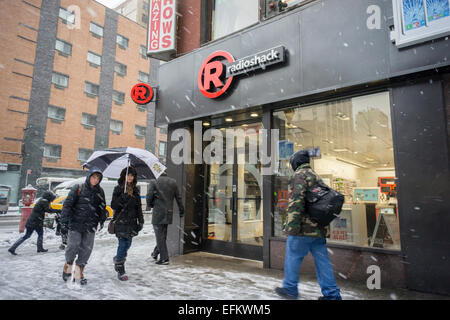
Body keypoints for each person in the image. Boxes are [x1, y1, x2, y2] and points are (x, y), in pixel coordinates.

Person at [275, 149, 342, 300]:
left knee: (293, 255)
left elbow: (296, 203)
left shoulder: (299, 176)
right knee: (322, 261)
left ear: (295, 163)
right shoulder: (316, 176)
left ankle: (290, 289)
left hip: (303, 229)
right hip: (318, 229)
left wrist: (291, 227)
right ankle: (332, 295)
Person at [60, 167, 107, 285]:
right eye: (94, 177)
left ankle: (78, 272)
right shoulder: (78, 188)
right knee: (73, 246)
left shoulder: (100, 191)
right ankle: (68, 266)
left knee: (86, 249)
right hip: (76, 223)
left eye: (98, 178)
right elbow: (67, 205)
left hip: (91, 225)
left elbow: (102, 206)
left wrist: (102, 218)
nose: (95, 180)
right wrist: (64, 222)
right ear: (89, 176)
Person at [110, 166, 144, 281]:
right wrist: (122, 199)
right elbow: (113, 205)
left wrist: (141, 220)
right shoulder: (118, 189)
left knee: (128, 244)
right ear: (123, 176)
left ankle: (118, 258)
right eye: (128, 175)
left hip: (132, 222)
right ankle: (120, 269)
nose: (130, 177)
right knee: (123, 244)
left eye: (132, 175)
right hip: (121, 222)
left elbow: (138, 207)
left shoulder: (136, 190)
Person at [146, 171, 184, 265]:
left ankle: (164, 258)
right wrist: (181, 209)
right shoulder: (173, 182)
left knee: (160, 236)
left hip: (158, 213)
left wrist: (150, 205)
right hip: (168, 213)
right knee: (162, 235)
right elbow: (178, 198)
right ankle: (155, 253)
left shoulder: (154, 181)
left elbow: (149, 196)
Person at [8, 190, 61, 255]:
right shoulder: (44, 202)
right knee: (40, 234)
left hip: (31, 221)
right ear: (49, 197)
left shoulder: (42, 201)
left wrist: (56, 210)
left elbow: (49, 208)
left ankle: (13, 248)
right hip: (37, 222)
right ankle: (40, 248)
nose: (53, 199)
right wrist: (59, 210)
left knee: (26, 236)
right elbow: (49, 210)